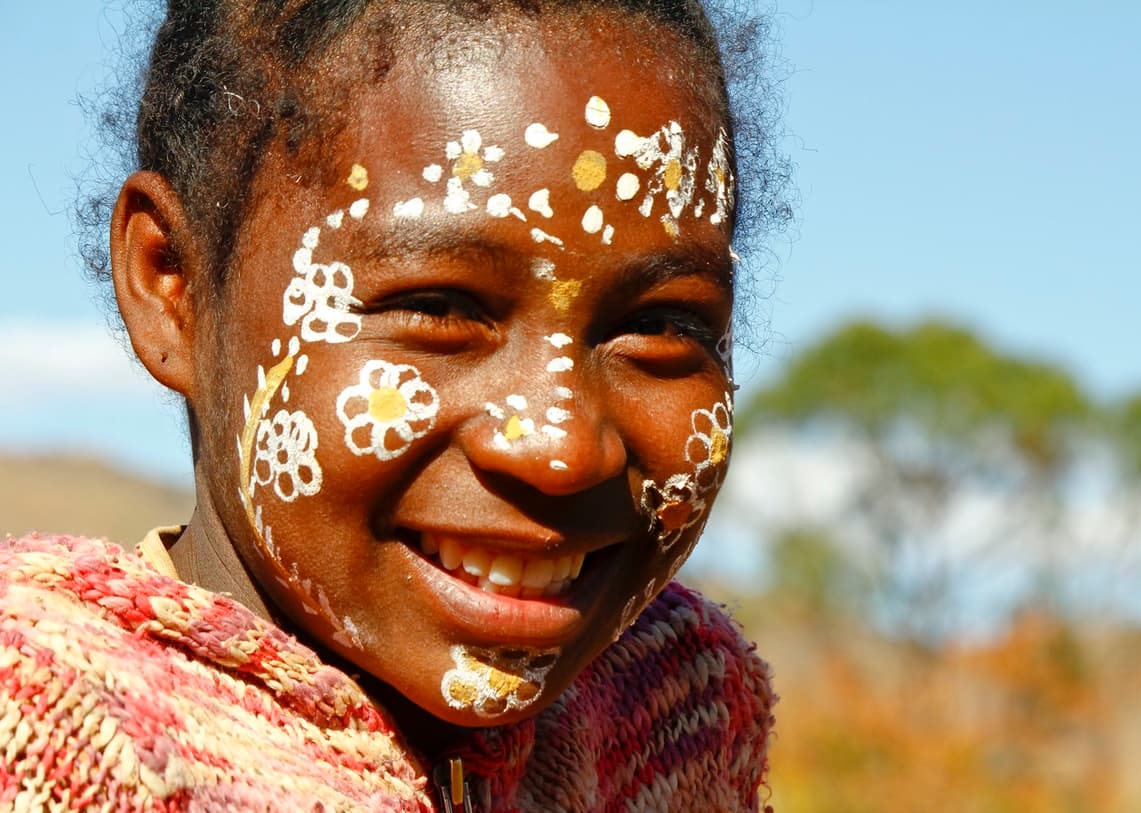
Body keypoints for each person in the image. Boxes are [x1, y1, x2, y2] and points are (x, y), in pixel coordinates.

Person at [1, 0, 781, 808]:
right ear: (175, 286)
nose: (563, 450)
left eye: (660, 325)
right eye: (439, 307)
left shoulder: (673, 706)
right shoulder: (45, 733)